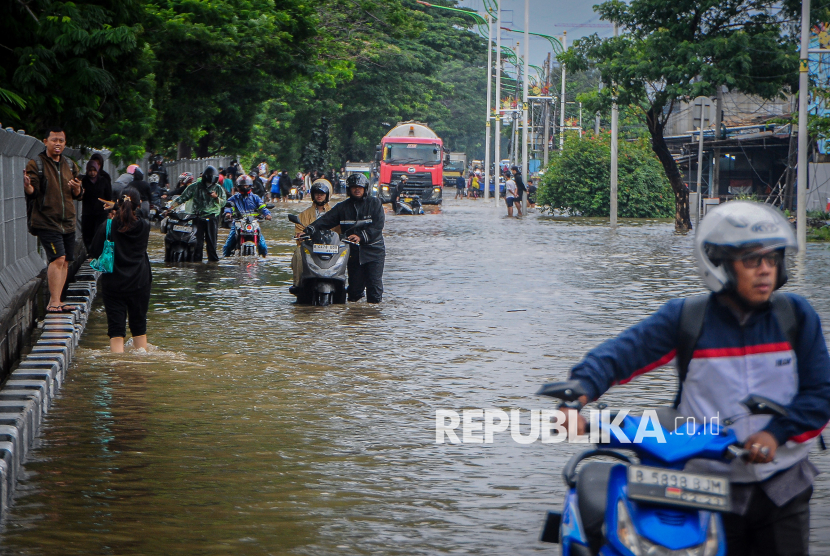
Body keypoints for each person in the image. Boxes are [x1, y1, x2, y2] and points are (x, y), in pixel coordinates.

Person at [558, 201, 830, 556]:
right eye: (752, 260)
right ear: (719, 263)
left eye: (772, 260)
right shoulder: (687, 318)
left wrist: (776, 434)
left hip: (784, 489)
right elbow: (621, 354)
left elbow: (820, 393)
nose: (765, 271)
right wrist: (578, 393)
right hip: (705, 489)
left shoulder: (796, 316)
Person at [24, 126, 82, 313]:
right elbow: (34, 192)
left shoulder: (70, 165)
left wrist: (77, 189)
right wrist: (27, 187)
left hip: (68, 221)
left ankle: (57, 300)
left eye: (61, 141)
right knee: (58, 258)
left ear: (65, 144)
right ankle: (54, 302)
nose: (58, 144)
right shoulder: (37, 164)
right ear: (45, 141)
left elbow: (78, 194)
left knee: (66, 261)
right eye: (54, 140)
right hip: (46, 220)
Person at [303, 174, 385, 303]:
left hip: (374, 251)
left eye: (360, 187)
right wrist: (310, 229)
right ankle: (353, 318)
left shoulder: (375, 203)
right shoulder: (342, 207)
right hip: (352, 253)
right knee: (354, 291)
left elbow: (377, 226)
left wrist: (360, 237)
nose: (357, 190)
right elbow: (326, 220)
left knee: (374, 289)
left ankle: (373, 317)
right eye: (353, 187)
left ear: (365, 188)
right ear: (348, 189)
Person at [89, 187, 152, 353]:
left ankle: (117, 371)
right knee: (139, 327)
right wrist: (119, 207)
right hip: (140, 282)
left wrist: (115, 210)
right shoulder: (144, 227)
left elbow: (94, 252)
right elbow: (142, 214)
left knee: (116, 331)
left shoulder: (108, 226)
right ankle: (141, 369)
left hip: (114, 284)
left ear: (118, 203)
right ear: (137, 206)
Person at [289, 179, 341, 296]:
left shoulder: (335, 213)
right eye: (317, 193)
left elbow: (340, 232)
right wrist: (300, 237)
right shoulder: (303, 215)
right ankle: (297, 284)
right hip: (311, 248)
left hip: (330, 248)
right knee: (298, 252)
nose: (319, 196)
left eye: (322, 193)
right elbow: (298, 235)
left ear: (327, 195)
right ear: (312, 195)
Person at [168, 165, 226, 262]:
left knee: (212, 243)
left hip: (212, 217)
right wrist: (170, 208)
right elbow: (182, 198)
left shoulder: (218, 189)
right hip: (197, 216)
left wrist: (216, 197)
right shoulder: (194, 187)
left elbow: (223, 202)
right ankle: (197, 264)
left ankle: (213, 263)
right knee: (197, 244)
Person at [223, 175, 271, 257]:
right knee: (227, 246)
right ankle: (225, 260)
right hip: (238, 223)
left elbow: (262, 207)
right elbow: (228, 207)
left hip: (254, 224)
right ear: (238, 186)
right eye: (242, 186)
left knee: (263, 246)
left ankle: (264, 259)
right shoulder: (233, 198)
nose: (245, 187)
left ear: (250, 186)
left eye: (246, 185)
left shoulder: (255, 198)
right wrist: (228, 214)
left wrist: (267, 215)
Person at [80, 159, 113, 251]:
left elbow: (108, 195)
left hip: (101, 211)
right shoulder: (84, 181)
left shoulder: (103, 180)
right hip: (88, 212)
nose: (92, 173)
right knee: (87, 233)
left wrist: (110, 211)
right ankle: (90, 251)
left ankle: (97, 252)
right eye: (90, 171)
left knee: (99, 232)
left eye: (94, 170)